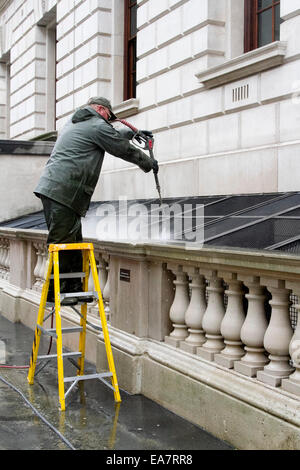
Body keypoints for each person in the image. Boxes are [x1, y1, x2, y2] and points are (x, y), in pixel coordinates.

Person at [34, 96, 158, 305]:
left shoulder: (79, 122)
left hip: (57, 190)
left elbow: (111, 135)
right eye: (108, 117)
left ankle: (71, 290)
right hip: (63, 191)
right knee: (63, 243)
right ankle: (56, 293)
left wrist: (133, 133)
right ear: (101, 109)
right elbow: (120, 146)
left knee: (72, 242)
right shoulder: (95, 124)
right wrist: (148, 163)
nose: (109, 122)